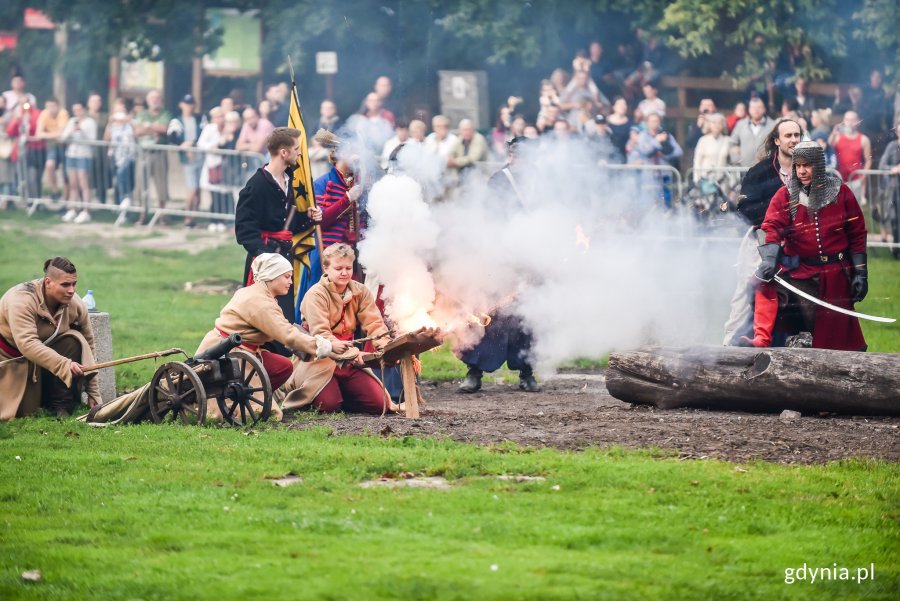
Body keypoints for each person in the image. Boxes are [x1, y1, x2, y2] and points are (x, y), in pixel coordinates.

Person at [746, 141, 868, 350]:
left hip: (836, 276)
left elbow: (856, 233)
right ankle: (763, 343)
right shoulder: (786, 195)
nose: (801, 171)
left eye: (807, 165)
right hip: (801, 274)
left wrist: (861, 273)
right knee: (765, 286)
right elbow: (771, 226)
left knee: (837, 342)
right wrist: (768, 258)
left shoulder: (842, 193)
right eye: (797, 166)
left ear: (818, 166)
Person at [193, 253, 345, 421]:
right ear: (272, 277)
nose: (290, 281)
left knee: (283, 366)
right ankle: (233, 401)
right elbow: (287, 334)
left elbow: (285, 329)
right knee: (268, 414)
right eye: (286, 277)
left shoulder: (258, 293)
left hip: (244, 350)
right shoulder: (260, 302)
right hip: (228, 354)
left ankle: (259, 392)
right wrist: (327, 346)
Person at [458, 137, 539, 394]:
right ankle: (475, 372)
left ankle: (527, 372)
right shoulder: (499, 180)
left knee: (527, 318)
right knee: (489, 313)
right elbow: (490, 218)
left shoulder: (541, 183)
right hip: (501, 255)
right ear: (512, 156)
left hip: (531, 254)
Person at [281, 243, 396, 414]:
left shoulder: (360, 291)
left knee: (380, 405)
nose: (344, 272)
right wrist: (354, 354)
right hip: (318, 359)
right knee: (329, 406)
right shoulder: (315, 294)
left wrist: (386, 346)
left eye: (348, 268)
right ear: (326, 268)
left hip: (348, 360)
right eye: (338, 268)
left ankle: (345, 393)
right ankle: (329, 394)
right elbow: (321, 334)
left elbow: (374, 324)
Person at [723, 118, 802, 345]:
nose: (793, 140)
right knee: (744, 296)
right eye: (788, 136)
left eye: (797, 135)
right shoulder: (760, 172)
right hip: (760, 241)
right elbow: (744, 207)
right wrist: (775, 224)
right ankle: (727, 349)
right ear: (777, 140)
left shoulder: (806, 169)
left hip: (797, 246)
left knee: (796, 299)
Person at [235, 127, 323, 323]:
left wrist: (307, 217)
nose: (300, 153)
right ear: (284, 152)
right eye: (296, 148)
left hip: (284, 257)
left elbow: (285, 222)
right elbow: (244, 228)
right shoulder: (256, 184)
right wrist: (265, 254)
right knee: (262, 316)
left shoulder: (288, 179)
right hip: (265, 261)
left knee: (283, 315)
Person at [0, 257, 101, 419]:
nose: (71, 290)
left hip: (46, 358)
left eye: (74, 284)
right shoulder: (21, 301)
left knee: (75, 339)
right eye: (65, 285)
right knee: (23, 413)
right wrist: (64, 364)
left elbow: (90, 343)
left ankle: (60, 405)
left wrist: (94, 392)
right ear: (48, 282)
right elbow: (28, 344)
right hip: (12, 360)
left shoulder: (76, 304)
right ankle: (40, 399)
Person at [133, 89, 172, 223]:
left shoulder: (165, 114)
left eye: (157, 98)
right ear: (148, 101)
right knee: (141, 185)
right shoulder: (142, 114)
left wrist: (148, 127)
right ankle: (142, 215)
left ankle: (162, 216)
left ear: (160, 101)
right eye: (152, 98)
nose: (155, 101)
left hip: (159, 153)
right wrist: (154, 128)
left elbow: (165, 129)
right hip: (143, 153)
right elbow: (137, 131)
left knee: (161, 186)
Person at [60, 103, 98, 224]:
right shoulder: (71, 121)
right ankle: (73, 208)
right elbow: (63, 137)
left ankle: (86, 210)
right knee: (73, 184)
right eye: (74, 110)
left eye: (79, 109)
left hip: (84, 154)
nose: (77, 112)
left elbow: (92, 140)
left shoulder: (90, 122)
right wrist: (71, 131)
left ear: (84, 109)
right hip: (71, 154)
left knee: (84, 183)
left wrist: (81, 131)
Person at [829, 110, 872, 203]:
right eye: (847, 120)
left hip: (856, 179)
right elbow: (828, 147)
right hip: (839, 179)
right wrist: (833, 133)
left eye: (852, 120)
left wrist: (863, 178)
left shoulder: (864, 139)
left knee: (855, 209)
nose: (850, 122)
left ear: (858, 121)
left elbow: (868, 160)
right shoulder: (837, 136)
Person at [35, 98, 69, 199]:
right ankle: (54, 191)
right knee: (49, 165)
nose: (50, 109)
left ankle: (66, 198)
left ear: (58, 106)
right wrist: (54, 135)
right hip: (52, 145)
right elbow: (38, 133)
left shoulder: (63, 113)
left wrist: (46, 135)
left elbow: (61, 133)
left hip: (64, 146)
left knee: (66, 173)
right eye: (48, 106)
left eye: (53, 106)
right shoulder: (44, 114)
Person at [108, 111, 136, 225]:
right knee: (118, 183)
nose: (118, 122)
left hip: (128, 157)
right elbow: (110, 140)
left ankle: (126, 199)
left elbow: (129, 142)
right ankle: (122, 209)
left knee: (122, 176)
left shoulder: (129, 128)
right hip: (116, 158)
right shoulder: (113, 128)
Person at [730, 98, 775, 167]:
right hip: (743, 169)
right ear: (749, 110)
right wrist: (737, 159)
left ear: (764, 109)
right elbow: (732, 143)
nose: (756, 110)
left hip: (765, 168)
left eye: (759, 107)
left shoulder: (773, 125)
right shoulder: (741, 124)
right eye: (753, 107)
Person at [876, 117, 900, 248]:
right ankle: (897, 250)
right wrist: (894, 169)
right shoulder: (892, 147)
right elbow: (882, 166)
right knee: (895, 219)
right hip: (895, 189)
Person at [447, 118, 488, 184]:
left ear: (473, 130)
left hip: (479, 176)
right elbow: (451, 151)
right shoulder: (460, 138)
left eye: (469, 129)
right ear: (460, 131)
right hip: (463, 176)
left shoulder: (479, 139)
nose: (466, 132)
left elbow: (473, 158)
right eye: (464, 130)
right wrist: (449, 158)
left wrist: (455, 162)